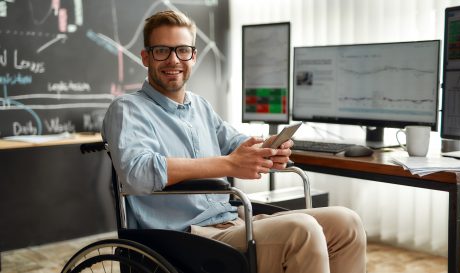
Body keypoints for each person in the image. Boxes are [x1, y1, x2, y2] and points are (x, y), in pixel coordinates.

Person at [102, 9, 366, 273]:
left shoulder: (200, 107)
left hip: (233, 222)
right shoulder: (127, 109)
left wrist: (267, 148)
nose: (174, 60)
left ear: (193, 56)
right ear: (146, 57)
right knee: (303, 231)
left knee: (347, 223)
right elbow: (137, 173)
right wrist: (228, 164)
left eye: (182, 50)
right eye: (162, 50)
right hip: (185, 237)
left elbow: (236, 143)